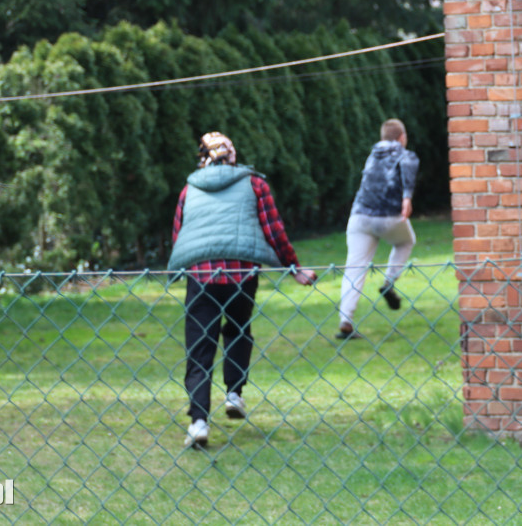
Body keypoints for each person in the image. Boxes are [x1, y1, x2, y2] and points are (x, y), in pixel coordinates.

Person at [168, 132, 317, 449]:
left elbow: (179, 233)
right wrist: (294, 268)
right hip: (242, 275)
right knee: (237, 330)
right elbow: (274, 231)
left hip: (202, 276)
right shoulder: (254, 184)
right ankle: (234, 393)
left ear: (202, 158)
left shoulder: (189, 189)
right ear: (232, 155)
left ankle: (198, 423)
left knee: (200, 348)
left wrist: (179, 269)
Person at [336, 119, 419, 340]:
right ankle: (388, 283)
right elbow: (408, 169)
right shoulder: (405, 154)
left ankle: (345, 320)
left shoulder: (372, 155)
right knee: (406, 241)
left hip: (359, 217)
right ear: (402, 137)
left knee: (354, 267)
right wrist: (407, 198)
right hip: (388, 217)